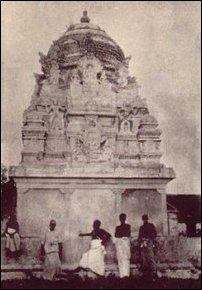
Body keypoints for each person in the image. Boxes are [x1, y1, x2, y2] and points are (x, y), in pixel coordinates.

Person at [138, 214, 157, 279]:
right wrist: (141, 240)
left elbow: (155, 234)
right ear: (142, 219)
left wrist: (149, 239)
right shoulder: (141, 227)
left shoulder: (151, 226)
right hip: (143, 243)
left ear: (147, 219)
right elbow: (139, 236)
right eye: (143, 219)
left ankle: (153, 272)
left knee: (150, 256)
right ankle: (145, 273)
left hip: (149, 242)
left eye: (145, 219)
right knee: (144, 257)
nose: (145, 220)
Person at [115, 213, 131, 278]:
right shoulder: (118, 227)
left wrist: (121, 235)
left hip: (125, 242)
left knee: (126, 258)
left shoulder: (128, 226)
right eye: (121, 218)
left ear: (125, 219)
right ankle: (122, 274)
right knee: (120, 258)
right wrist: (121, 235)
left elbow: (128, 234)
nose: (122, 219)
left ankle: (126, 274)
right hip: (120, 243)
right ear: (120, 219)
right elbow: (116, 235)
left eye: (123, 218)